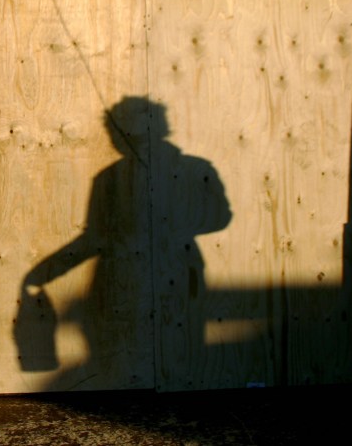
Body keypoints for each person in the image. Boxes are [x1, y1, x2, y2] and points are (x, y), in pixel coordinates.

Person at [17, 97, 231, 388]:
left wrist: (171, 226)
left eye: (134, 132)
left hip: (173, 271)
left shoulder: (194, 170)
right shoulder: (110, 179)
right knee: (138, 349)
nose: (126, 140)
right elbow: (94, 237)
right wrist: (46, 271)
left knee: (178, 343)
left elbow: (220, 216)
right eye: (123, 133)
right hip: (128, 276)